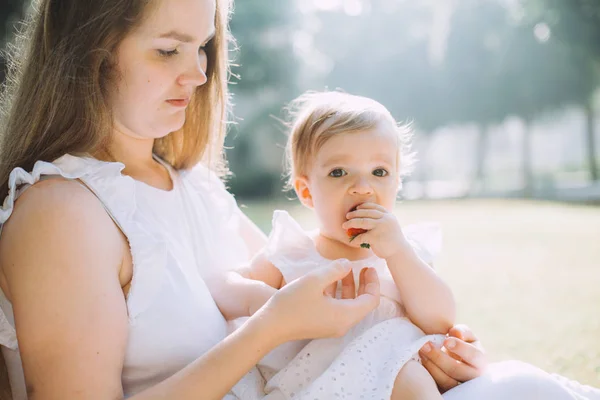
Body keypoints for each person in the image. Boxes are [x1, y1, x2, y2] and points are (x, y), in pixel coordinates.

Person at [0, 0, 597, 399]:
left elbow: (312, 298)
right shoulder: (63, 213)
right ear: (92, 54)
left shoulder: (195, 190)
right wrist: (267, 329)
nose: (201, 73)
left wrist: (436, 352)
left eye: (204, 47)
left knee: (521, 386)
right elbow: (278, 316)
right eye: (168, 50)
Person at [214, 91, 452, 399]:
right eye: (339, 172)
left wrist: (398, 252)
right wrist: (249, 296)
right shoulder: (293, 254)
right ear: (307, 191)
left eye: (379, 172)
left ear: (397, 182)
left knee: (410, 381)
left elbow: (441, 318)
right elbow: (226, 286)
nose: (362, 188)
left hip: (394, 378)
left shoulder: (404, 254)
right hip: (316, 387)